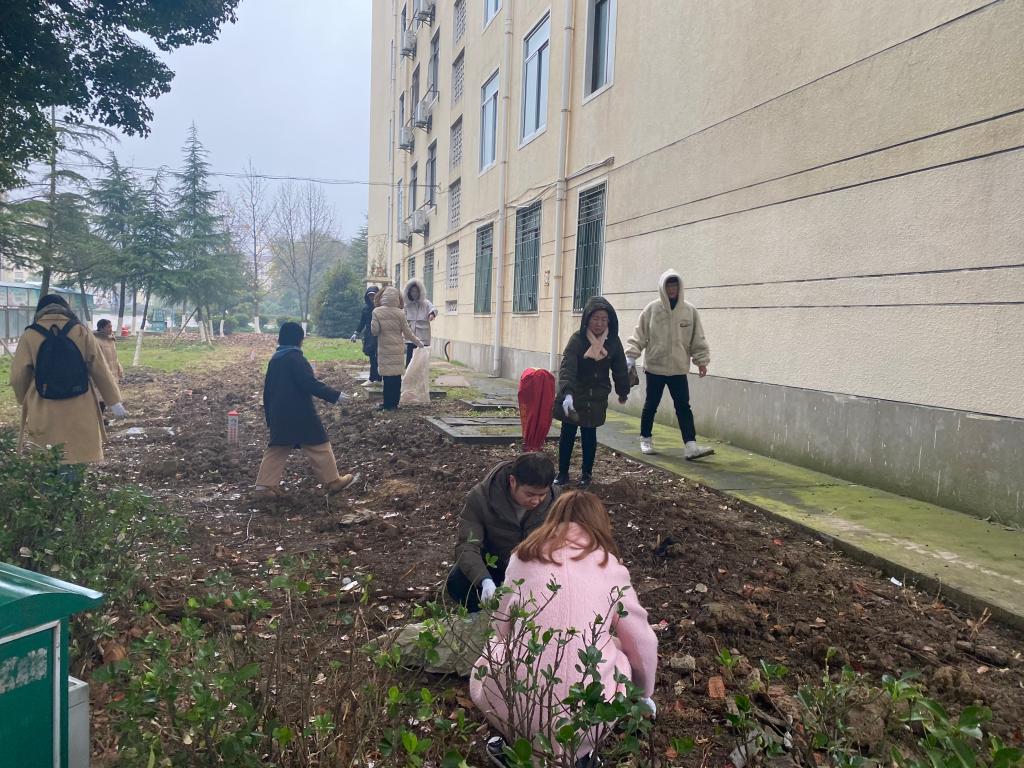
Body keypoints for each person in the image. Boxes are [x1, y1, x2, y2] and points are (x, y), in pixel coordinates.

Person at [470, 491, 658, 766]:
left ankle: (518, 748)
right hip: (588, 714)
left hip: (518, 706)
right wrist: (643, 694)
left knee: (497, 650)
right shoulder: (609, 566)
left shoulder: (523, 556)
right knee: (620, 651)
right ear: (599, 523)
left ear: (553, 517)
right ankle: (581, 754)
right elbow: (642, 643)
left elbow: (500, 628)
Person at [9, 294, 127, 464]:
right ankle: (74, 480)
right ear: (66, 309)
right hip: (80, 402)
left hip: (43, 402)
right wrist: (114, 401)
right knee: (77, 456)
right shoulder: (81, 331)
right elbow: (100, 368)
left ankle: (51, 481)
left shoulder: (30, 334)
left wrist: (24, 398)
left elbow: (18, 375)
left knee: (47, 457)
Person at [447, 452, 559, 612]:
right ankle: (480, 615)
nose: (536, 501)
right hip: (496, 564)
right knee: (458, 580)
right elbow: (467, 545)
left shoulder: (556, 500)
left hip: (535, 568)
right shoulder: (481, 498)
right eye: (529, 494)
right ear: (513, 481)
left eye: (542, 495)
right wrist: (484, 580)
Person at [254, 322, 354, 500]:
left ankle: (263, 487)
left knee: (278, 448)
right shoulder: (296, 359)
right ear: (300, 340)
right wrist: (335, 395)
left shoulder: (276, 359)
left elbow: (267, 390)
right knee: (319, 445)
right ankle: (333, 481)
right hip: (300, 413)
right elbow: (309, 383)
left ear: (280, 339)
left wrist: (270, 415)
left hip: (279, 412)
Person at [625, 269, 714, 460]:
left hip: (678, 368)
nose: (672, 289)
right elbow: (639, 334)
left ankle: (690, 445)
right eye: (668, 285)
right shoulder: (652, 309)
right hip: (655, 367)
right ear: (662, 287)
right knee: (651, 405)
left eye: (675, 285)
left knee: (683, 407)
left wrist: (701, 361)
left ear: (680, 287)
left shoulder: (689, 311)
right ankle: (645, 438)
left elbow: (697, 338)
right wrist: (631, 356)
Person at [552, 296, 631, 489]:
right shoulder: (577, 340)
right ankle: (562, 473)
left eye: (604, 319)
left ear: (609, 321)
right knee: (568, 433)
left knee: (589, 434)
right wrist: (567, 393)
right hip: (576, 393)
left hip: (597, 395)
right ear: (587, 319)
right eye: (595, 318)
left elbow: (620, 368)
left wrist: (623, 391)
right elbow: (568, 367)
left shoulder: (612, 342)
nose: (599, 323)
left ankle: (586, 475)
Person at [370, 285, 423, 411]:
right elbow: (407, 332)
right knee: (396, 378)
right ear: (397, 298)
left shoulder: (376, 312)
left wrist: (374, 321)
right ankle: (394, 404)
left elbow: (374, 331)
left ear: (383, 297)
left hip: (384, 349)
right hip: (398, 350)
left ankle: (387, 404)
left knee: (387, 378)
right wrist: (418, 342)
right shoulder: (400, 312)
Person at [350, 286, 381, 386]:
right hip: (369, 336)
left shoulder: (381, 308)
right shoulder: (366, 309)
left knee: (379, 358)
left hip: (380, 335)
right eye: (370, 296)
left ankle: (378, 379)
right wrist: (356, 333)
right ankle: (372, 379)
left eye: (373, 295)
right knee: (372, 357)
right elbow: (362, 322)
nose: (372, 297)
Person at [402, 278, 436, 365]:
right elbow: (402, 316)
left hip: (423, 336)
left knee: (422, 360)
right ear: (409, 292)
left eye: (416, 291)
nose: (414, 293)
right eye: (412, 291)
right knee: (410, 359)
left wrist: (431, 314)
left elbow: (433, 308)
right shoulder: (407, 305)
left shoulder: (426, 303)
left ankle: (421, 373)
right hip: (411, 337)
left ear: (420, 292)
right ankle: (409, 372)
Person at [93, 318, 124, 411]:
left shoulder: (111, 339)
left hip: (113, 371)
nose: (111, 329)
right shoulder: (96, 340)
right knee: (100, 396)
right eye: (108, 327)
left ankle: (102, 415)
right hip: (103, 372)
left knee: (110, 395)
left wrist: (119, 368)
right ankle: (99, 416)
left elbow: (115, 357)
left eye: (111, 326)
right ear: (101, 328)